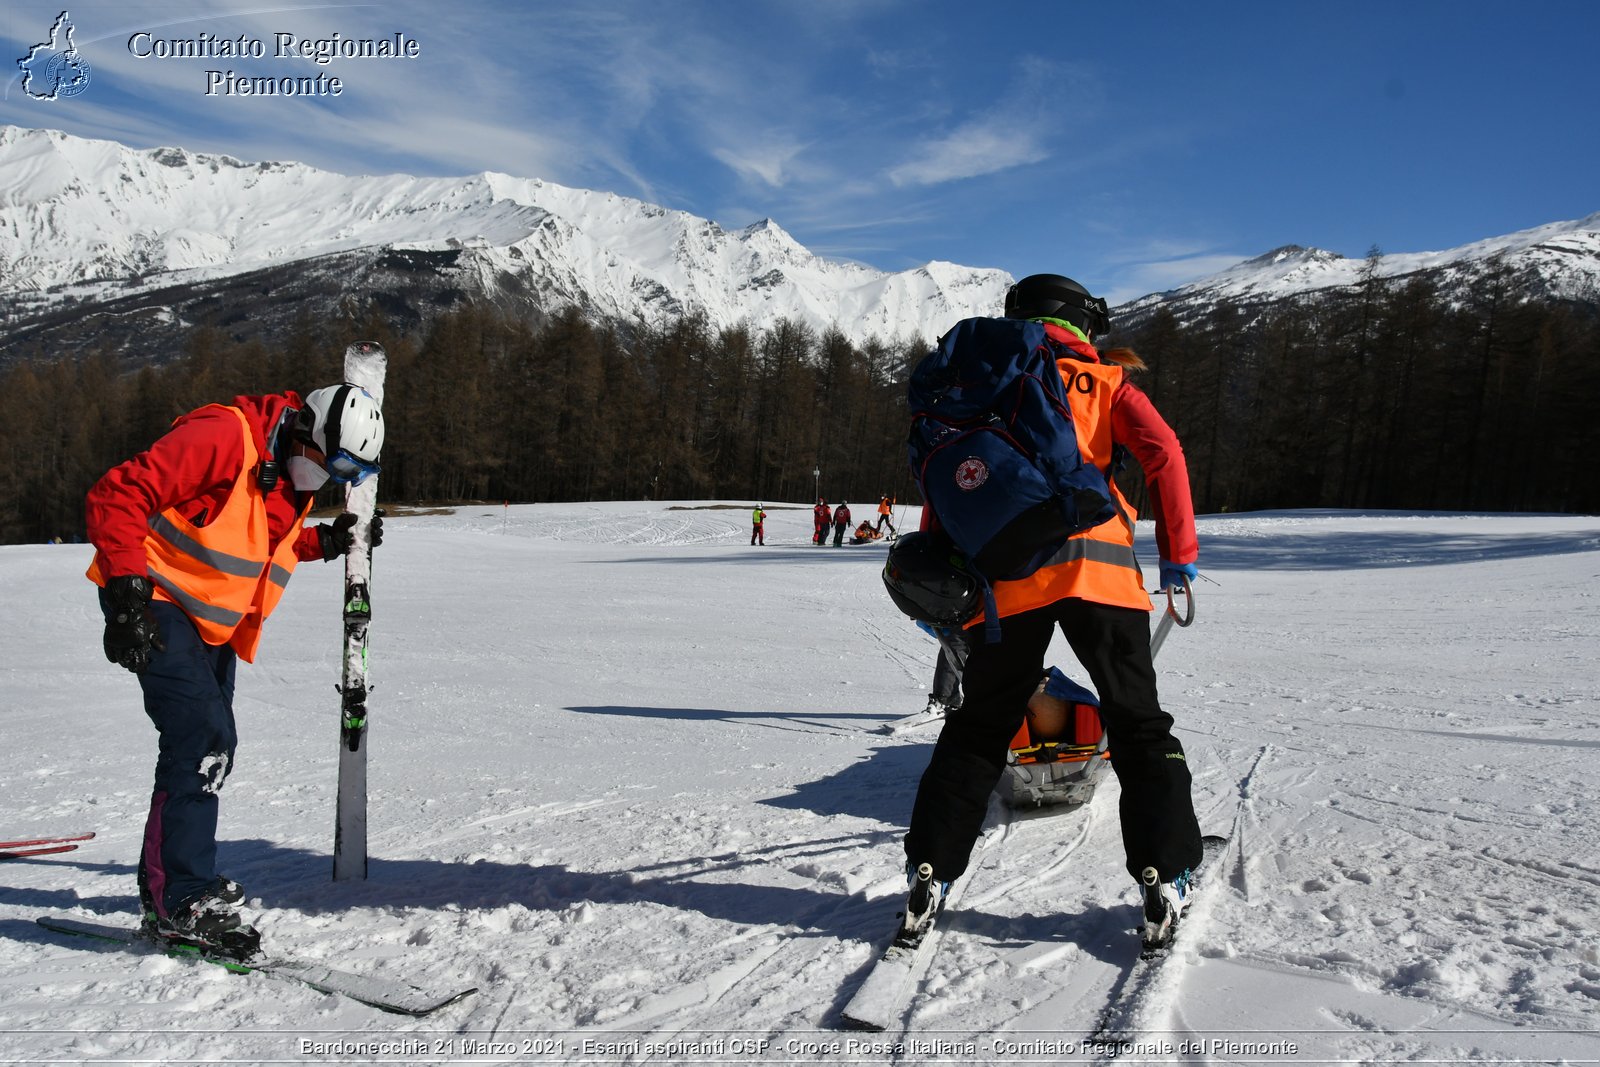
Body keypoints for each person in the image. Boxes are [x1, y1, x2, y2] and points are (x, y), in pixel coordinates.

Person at [897, 273, 1203, 952]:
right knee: (1138, 726)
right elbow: (1165, 454)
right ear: (1080, 323)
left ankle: (930, 871)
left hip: (1007, 582)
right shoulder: (1104, 382)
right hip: (1101, 573)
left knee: (979, 729)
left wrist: (947, 573)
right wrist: (1178, 555)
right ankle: (1164, 874)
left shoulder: (983, 382)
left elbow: (950, 485)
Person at [85, 380, 386, 960]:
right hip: (156, 598)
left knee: (201, 747)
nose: (333, 482)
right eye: (336, 465)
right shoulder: (226, 436)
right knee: (203, 736)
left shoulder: (288, 469)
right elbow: (118, 494)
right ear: (307, 431)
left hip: (211, 621)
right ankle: (183, 897)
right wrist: (125, 592)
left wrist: (323, 541)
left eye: (351, 476)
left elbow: (254, 540)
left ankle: (168, 888)